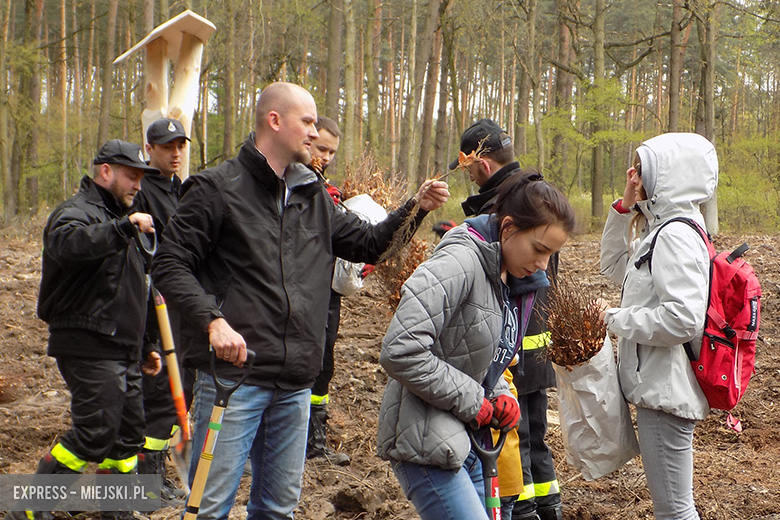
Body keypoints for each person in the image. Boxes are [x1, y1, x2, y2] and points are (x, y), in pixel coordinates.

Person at [150, 81, 449, 520]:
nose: (315, 133)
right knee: (207, 509)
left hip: (294, 384)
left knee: (277, 509)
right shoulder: (216, 189)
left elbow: (370, 246)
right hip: (234, 382)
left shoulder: (314, 196)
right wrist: (213, 322)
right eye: (307, 122)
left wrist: (416, 208)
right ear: (275, 121)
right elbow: (170, 266)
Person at [376, 173, 575, 520]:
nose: (543, 265)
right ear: (509, 228)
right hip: (426, 443)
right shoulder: (459, 262)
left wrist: (501, 394)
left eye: (551, 254)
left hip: (468, 440)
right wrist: (475, 401)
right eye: (540, 249)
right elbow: (401, 349)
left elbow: (477, 353)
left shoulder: (503, 273)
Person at [8, 140, 161, 520]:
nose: (137, 186)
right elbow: (69, 246)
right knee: (95, 430)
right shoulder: (75, 213)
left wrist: (145, 345)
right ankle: (29, 509)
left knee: (127, 436)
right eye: (131, 176)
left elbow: (130, 291)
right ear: (105, 171)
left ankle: (116, 512)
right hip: (87, 342)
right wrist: (123, 227)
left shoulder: (123, 221)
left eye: (141, 179)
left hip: (122, 347)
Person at [599, 132, 717, 520]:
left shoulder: (676, 236)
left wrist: (614, 319)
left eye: (641, 168)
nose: (633, 175)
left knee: (675, 511)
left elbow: (682, 319)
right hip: (659, 387)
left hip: (667, 392)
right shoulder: (662, 229)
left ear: (666, 175)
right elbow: (615, 268)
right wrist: (623, 207)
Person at [453, 118, 563, 520]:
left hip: (510, 344)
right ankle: (544, 508)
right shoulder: (538, 194)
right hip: (536, 339)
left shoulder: (504, 206)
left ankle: (523, 510)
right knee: (534, 438)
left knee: (515, 438)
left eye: (466, 168)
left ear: (481, 165)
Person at [134, 118, 189, 505]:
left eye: (180, 146)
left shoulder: (180, 190)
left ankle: (154, 475)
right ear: (149, 148)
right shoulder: (143, 193)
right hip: (153, 306)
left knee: (176, 389)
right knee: (159, 392)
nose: (175, 153)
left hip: (179, 303)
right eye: (167, 146)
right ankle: (146, 482)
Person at [306, 115, 351, 465]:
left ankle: (315, 443)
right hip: (301, 289)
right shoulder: (294, 186)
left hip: (327, 289)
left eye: (332, 151)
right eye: (322, 148)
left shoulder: (327, 190)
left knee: (325, 361)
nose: (326, 157)